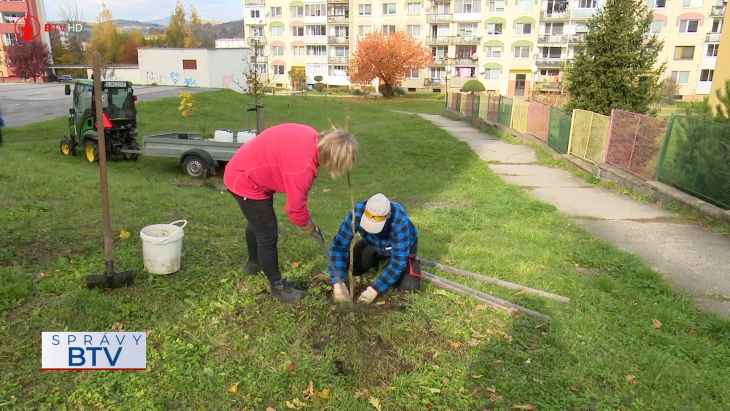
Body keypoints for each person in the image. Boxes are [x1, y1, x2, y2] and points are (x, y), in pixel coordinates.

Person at [224, 123, 358, 304]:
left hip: (247, 165)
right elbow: (295, 210)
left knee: (257, 222)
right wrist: (310, 228)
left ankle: (253, 264)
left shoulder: (310, 134)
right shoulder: (303, 167)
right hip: (246, 179)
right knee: (267, 234)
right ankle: (277, 287)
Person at [329, 193, 421, 304]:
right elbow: (339, 245)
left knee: (410, 286)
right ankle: (380, 260)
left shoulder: (399, 222)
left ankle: (390, 261)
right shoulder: (357, 212)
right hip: (373, 244)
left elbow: (398, 261)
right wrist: (338, 282)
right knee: (352, 268)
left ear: (388, 216)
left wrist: (374, 290)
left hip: (400, 248)